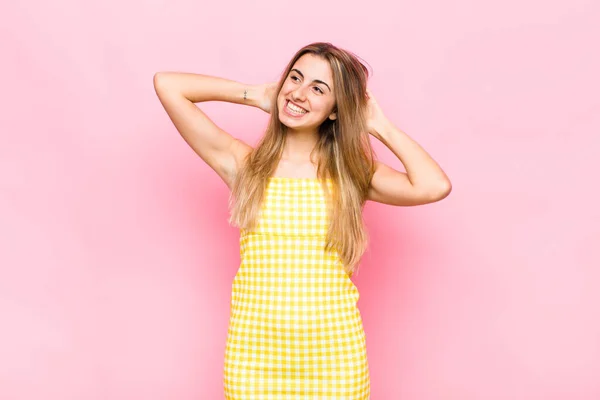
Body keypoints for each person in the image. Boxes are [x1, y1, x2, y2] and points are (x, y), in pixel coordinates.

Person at [153, 42, 451, 400]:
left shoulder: (352, 174)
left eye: (318, 89)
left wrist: (379, 126)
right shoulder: (245, 166)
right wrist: (257, 95)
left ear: (335, 111)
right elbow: (167, 84)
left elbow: (434, 186)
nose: (299, 93)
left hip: (335, 359)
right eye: (295, 78)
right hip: (254, 359)